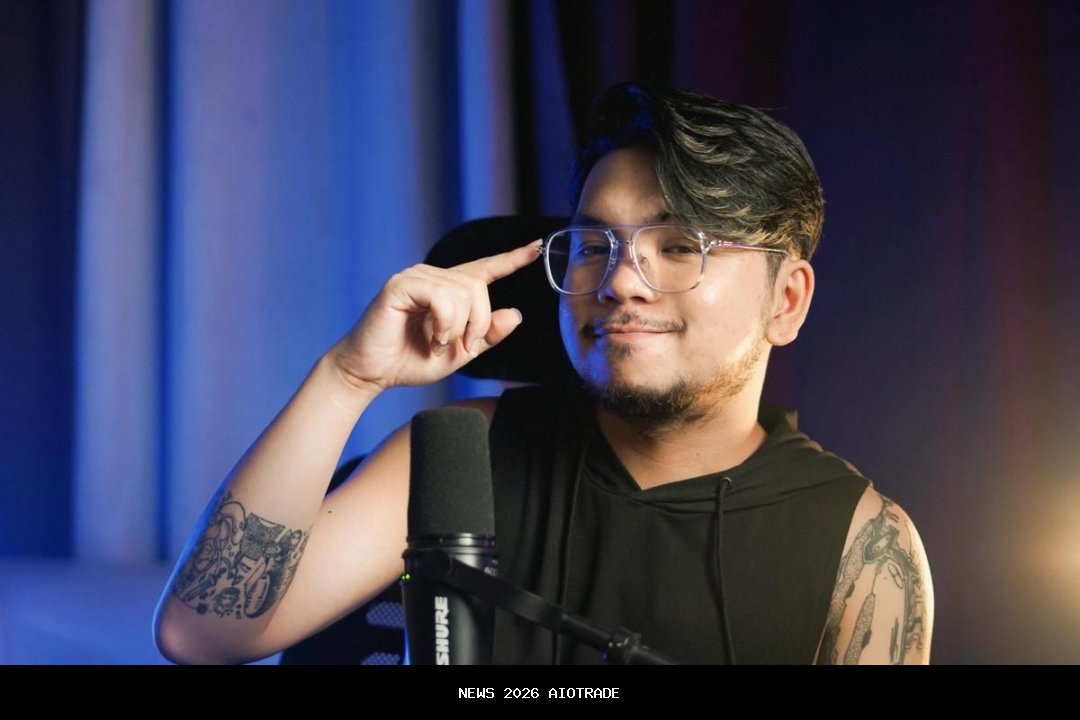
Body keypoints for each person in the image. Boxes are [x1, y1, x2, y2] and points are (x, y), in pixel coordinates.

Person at [154, 82, 934, 665]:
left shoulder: (860, 542)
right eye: (594, 247)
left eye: (677, 246)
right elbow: (200, 633)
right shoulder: (465, 459)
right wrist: (347, 377)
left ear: (785, 300)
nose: (620, 282)